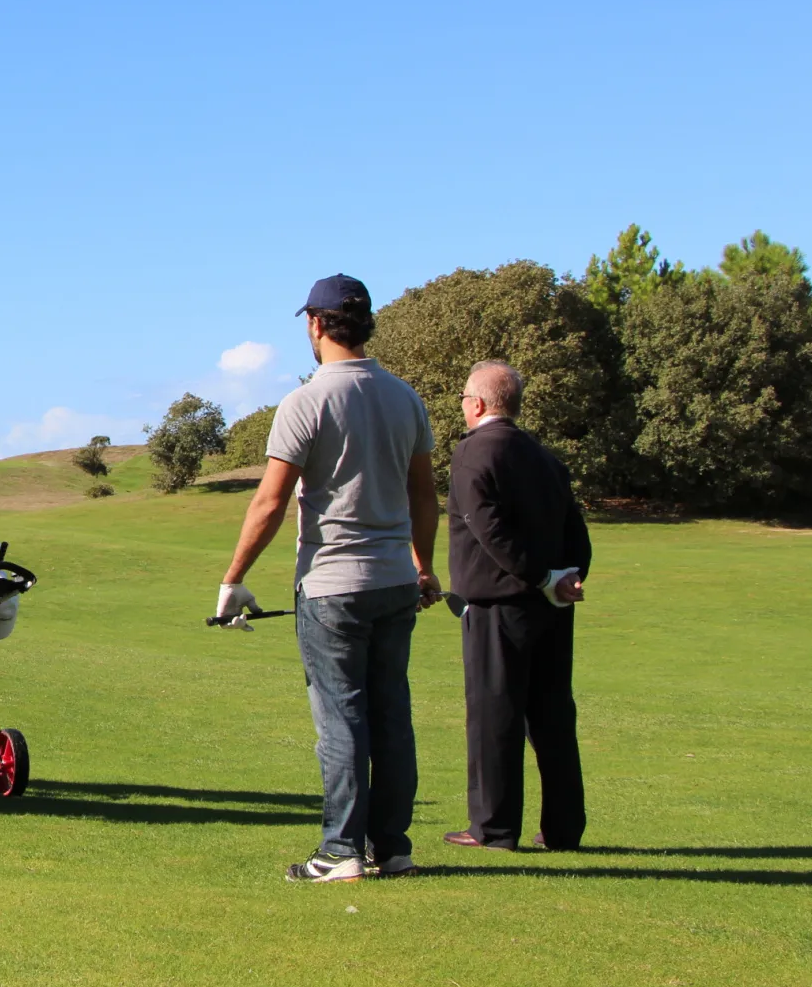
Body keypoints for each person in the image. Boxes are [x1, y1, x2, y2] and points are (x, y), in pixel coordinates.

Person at [216, 274, 440, 883]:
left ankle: (341, 851)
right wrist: (424, 565)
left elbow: (269, 501)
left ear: (315, 325)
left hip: (331, 584)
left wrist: (233, 577)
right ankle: (392, 849)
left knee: (342, 720)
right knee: (392, 715)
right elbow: (426, 495)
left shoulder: (306, 400)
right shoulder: (405, 397)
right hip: (395, 580)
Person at [442, 360, 592, 852]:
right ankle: (563, 829)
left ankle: (493, 827)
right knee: (552, 717)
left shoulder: (472, 454)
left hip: (497, 604)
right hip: (551, 605)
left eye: (465, 397)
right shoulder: (547, 458)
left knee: (493, 715)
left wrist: (538, 575)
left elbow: (487, 529)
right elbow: (575, 528)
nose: (463, 405)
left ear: (478, 403)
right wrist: (568, 576)